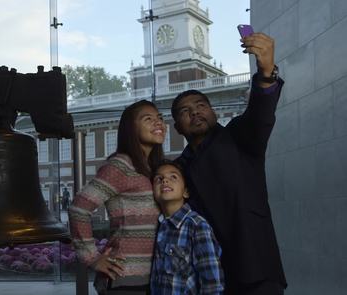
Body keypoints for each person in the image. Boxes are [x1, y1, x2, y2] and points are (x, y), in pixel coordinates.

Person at [171, 32, 287, 294]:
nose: (195, 112)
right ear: (177, 127)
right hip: (210, 272)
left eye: (201, 105)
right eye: (185, 111)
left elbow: (260, 112)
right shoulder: (179, 168)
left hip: (255, 266)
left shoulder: (239, 136)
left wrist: (266, 72)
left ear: (212, 112)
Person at [69, 100, 166, 295]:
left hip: (153, 276)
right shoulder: (120, 165)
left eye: (160, 118)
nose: (159, 123)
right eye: (148, 119)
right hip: (124, 277)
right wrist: (92, 258)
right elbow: (79, 208)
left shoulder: (153, 168)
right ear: (131, 128)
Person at [150, 159, 224, 295]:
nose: (165, 181)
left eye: (173, 177)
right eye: (159, 179)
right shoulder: (159, 227)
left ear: (186, 192)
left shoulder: (196, 225)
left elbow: (212, 282)